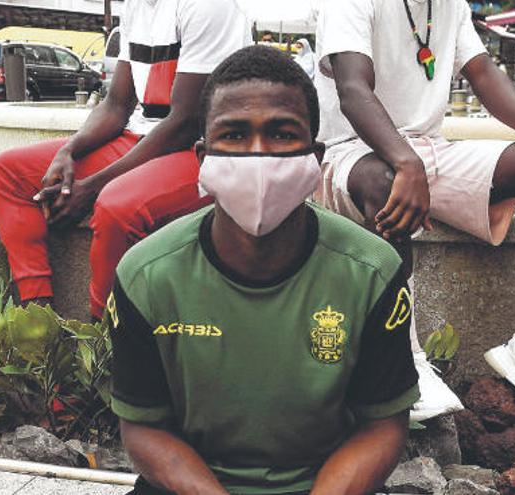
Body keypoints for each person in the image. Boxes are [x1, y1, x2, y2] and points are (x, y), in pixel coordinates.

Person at [109, 45, 420, 494]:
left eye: (281, 133)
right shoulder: (147, 276)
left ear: (314, 155)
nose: (258, 155)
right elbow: (144, 428)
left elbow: (382, 425)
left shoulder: (372, 272)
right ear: (202, 157)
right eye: (233, 135)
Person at [313, 0, 515, 426]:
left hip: (425, 150)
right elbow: (353, 89)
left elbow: (481, 70)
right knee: (388, 184)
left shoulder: (449, 3)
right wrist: (405, 162)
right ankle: (407, 359)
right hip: (353, 153)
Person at [0, 0, 250, 320]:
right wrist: (68, 151)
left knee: (117, 206)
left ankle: (104, 341)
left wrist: (94, 186)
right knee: (6, 172)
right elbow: (116, 105)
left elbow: (185, 122)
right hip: (145, 139)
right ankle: (38, 323)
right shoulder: (138, 5)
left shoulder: (208, 6)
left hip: (206, 148)